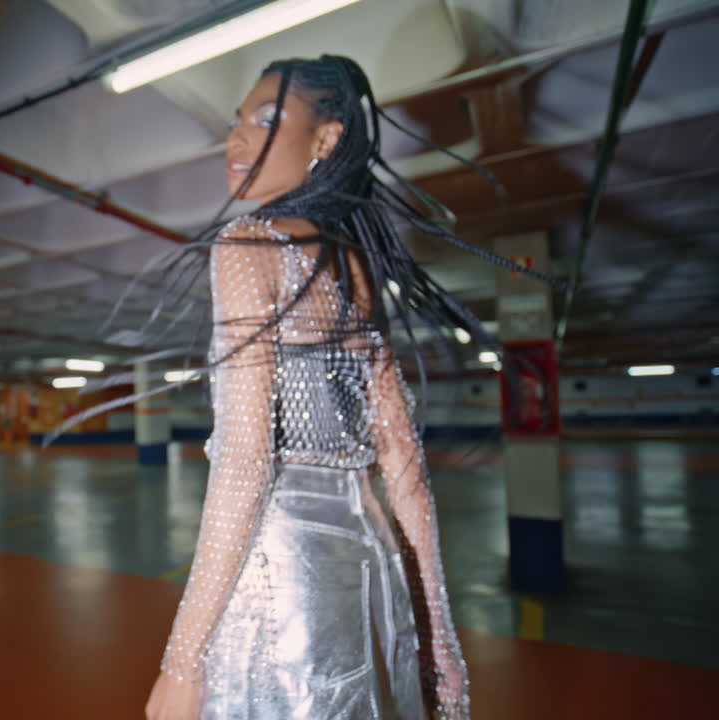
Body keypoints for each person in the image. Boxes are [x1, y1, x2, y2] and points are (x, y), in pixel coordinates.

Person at [137, 55, 508, 719]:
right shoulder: (357, 270)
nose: (238, 138)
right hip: (371, 569)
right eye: (236, 122)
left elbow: (248, 464)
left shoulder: (249, 246)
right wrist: (439, 643)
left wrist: (182, 660)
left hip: (286, 578)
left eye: (267, 119)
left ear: (326, 140)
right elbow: (406, 468)